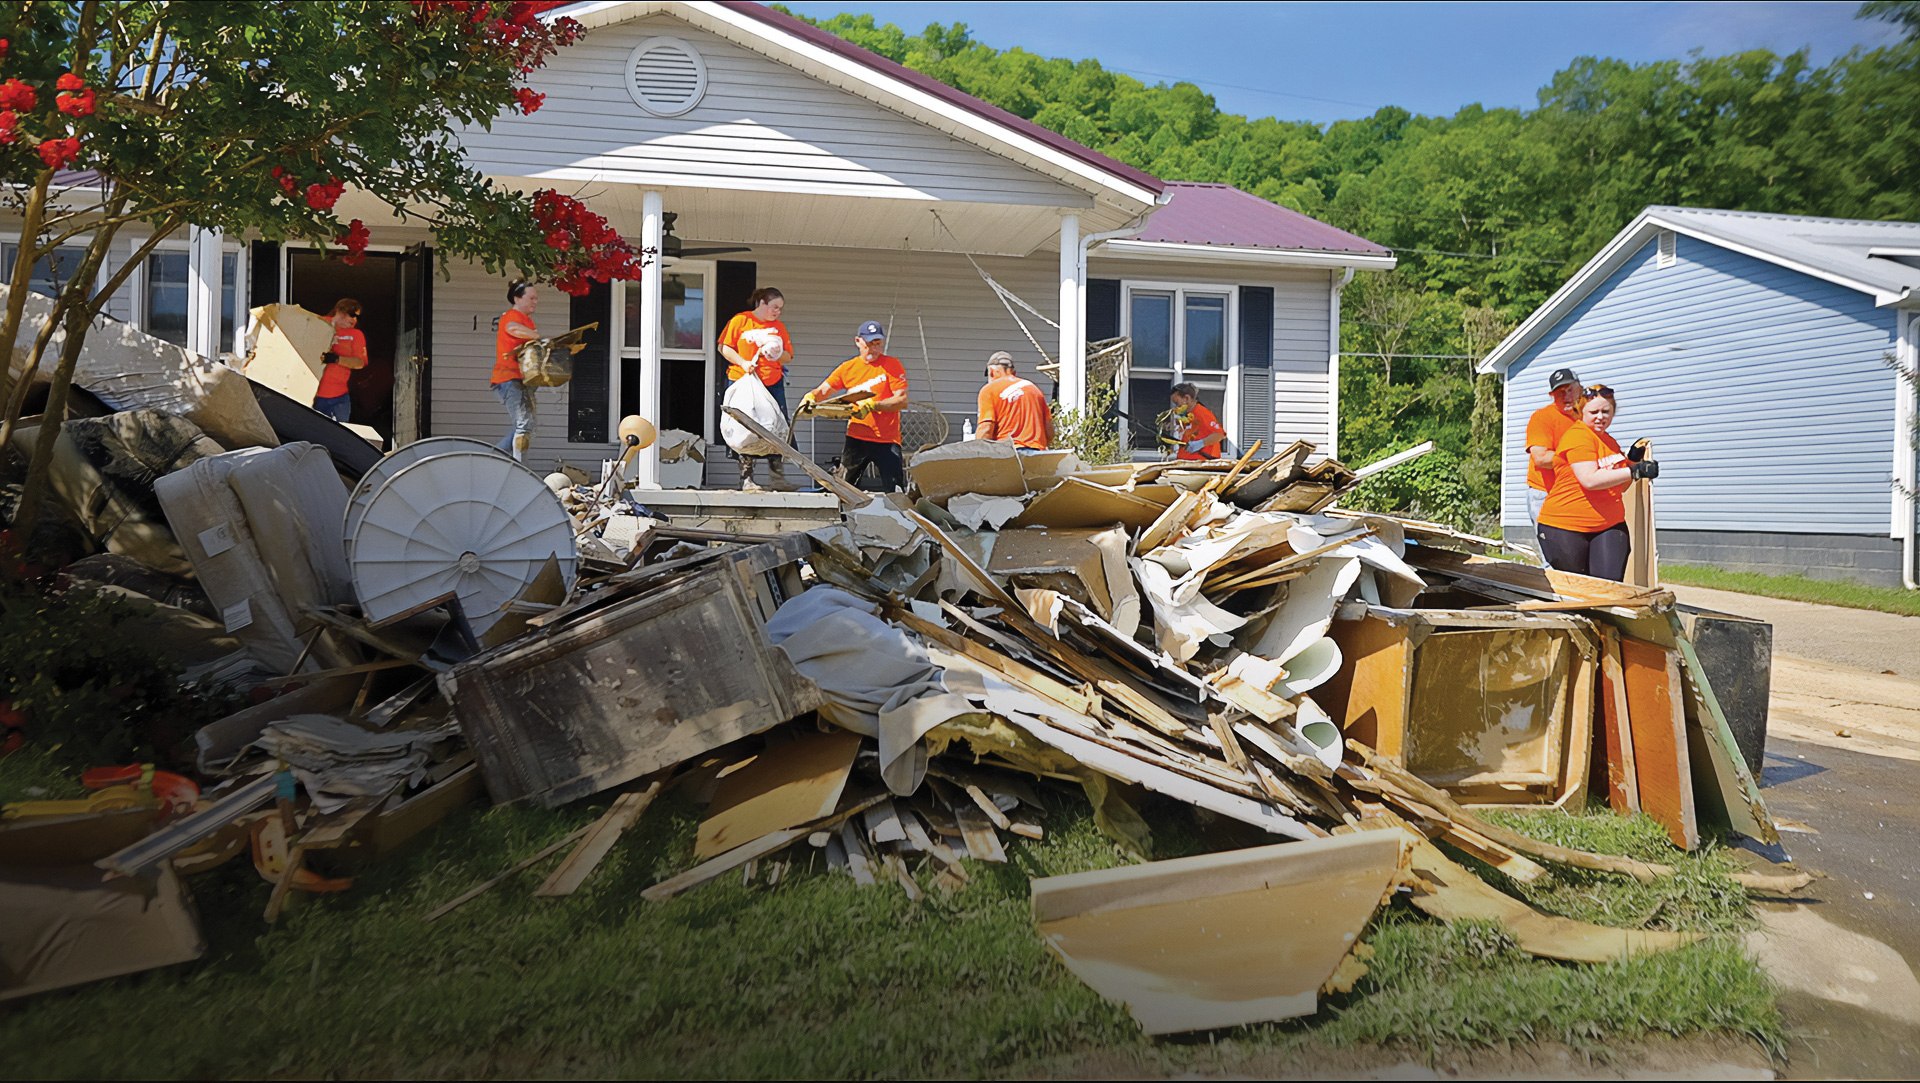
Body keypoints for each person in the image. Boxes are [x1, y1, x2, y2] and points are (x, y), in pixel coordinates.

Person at [1536, 384, 1660, 581]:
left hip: (1609, 524)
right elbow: (1590, 480)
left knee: (1610, 586)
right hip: (1565, 528)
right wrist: (1633, 471)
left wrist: (1633, 461)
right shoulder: (1578, 436)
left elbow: (1620, 487)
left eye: (1606, 411)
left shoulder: (1609, 442)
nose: (1600, 417)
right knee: (1581, 589)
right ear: (1580, 412)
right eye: (1594, 412)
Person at [801, 320, 908, 491]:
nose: (874, 348)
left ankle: (898, 518)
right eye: (869, 343)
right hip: (857, 437)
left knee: (896, 490)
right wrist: (811, 397)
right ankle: (845, 518)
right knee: (845, 489)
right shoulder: (848, 368)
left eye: (878, 344)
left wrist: (874, 405)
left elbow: (901, 400)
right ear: (858, 341)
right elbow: (824, 390)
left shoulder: (892, 365)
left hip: (887, 440)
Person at [718, 287, 797, 491]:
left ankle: (777, 477)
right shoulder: (740, 321)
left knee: (777, 427)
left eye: (780, 308)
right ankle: (747, 479)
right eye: (774, 307)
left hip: (772, 384)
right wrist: (743, 363)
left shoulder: (778, 327)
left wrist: (775, 354)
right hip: (743, 381)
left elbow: (788, 355)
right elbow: (724, 347)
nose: (777, 312)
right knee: (745, 428)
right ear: (761, 303)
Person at [1525, 367, 1583, 563]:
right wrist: (1579, 456)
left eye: (1570, 390)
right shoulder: (1542, 418)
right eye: (1560, 392)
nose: (1566, 396)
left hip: (1574, 496)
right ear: (1552, 395)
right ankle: (1552, 593)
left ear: (1580, 389)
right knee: (1553, 557)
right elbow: (1540, 457)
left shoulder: (1585, 419)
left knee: (1576, 554)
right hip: (1545, 495)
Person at [491, 281, 541, 461]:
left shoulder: (527, 320)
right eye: (531, 298)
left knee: (528, 425)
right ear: (517, 298)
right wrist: (535, 336)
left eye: (536, 298)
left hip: (521, 380)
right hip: (509, 378)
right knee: (523, 425)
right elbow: (512, 328)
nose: (535, 302)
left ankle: (494, 456)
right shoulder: (511, 315)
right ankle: (517, 468)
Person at [976, 351, 1052, 449]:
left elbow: (986, 430)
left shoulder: (989, 390)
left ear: (991, 372)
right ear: (1013, 372)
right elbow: (1049, 432)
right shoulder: (1034, 389)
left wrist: (978, 454)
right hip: (1037, 454)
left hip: (1009, 453)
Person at [311, 299, 367, 423]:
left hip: (339, 396)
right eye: (352, 315)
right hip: (312, 393)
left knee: (338, 434)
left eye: (357, 317)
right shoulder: (318, 323)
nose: (354, 320)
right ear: (340, 311)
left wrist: (336, 359)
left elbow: (360, 362)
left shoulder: (356, 334)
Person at [1168, 382, 1226, 460]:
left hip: (1201, 463)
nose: (1177, 407)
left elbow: (1219, 434)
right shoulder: (1189, 415)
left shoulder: (1201, 412)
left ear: (1186, 398)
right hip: (1188, 462)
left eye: (1177, 403)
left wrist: (1200, 443)